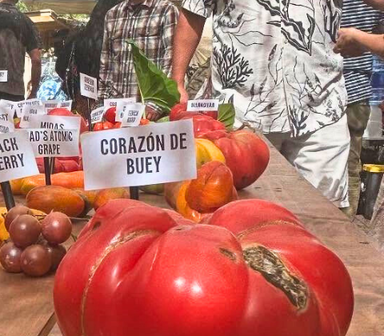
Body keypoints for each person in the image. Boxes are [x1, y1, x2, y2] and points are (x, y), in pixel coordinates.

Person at [170, 0, 351, 209]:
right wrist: (177, 80)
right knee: (237, 211)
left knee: (324, 215)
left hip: (322, 109)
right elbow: (194, 12)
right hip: (243, 113)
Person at [336, 1, 384, 211]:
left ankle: (347, 231)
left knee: (348, 167)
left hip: (349, 87)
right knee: (350, 166)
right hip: (356, 89)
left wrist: (357, 36)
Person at [98, 0, 177, 102]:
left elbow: (172, 58)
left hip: (149, 105)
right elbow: (106, 62)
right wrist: (102, 100)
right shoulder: (112, 14)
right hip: (117, 106)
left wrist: (158, 102)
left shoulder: (166, 10)